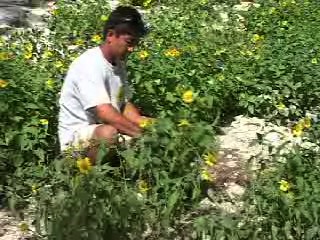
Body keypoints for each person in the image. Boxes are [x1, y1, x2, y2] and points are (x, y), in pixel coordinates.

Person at [58, 6, 150, 162]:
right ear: (110, 35)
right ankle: (87, 178)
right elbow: (104, 112)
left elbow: (123, 106)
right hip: (76, 141)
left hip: (104, 131)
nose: (132, 48)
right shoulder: (90, 63)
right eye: (129, 42)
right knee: (109, 134)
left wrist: (147, 124)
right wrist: (140, 134)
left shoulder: (118, 65)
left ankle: (116, 174)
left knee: (149, 131)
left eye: (135, 43)